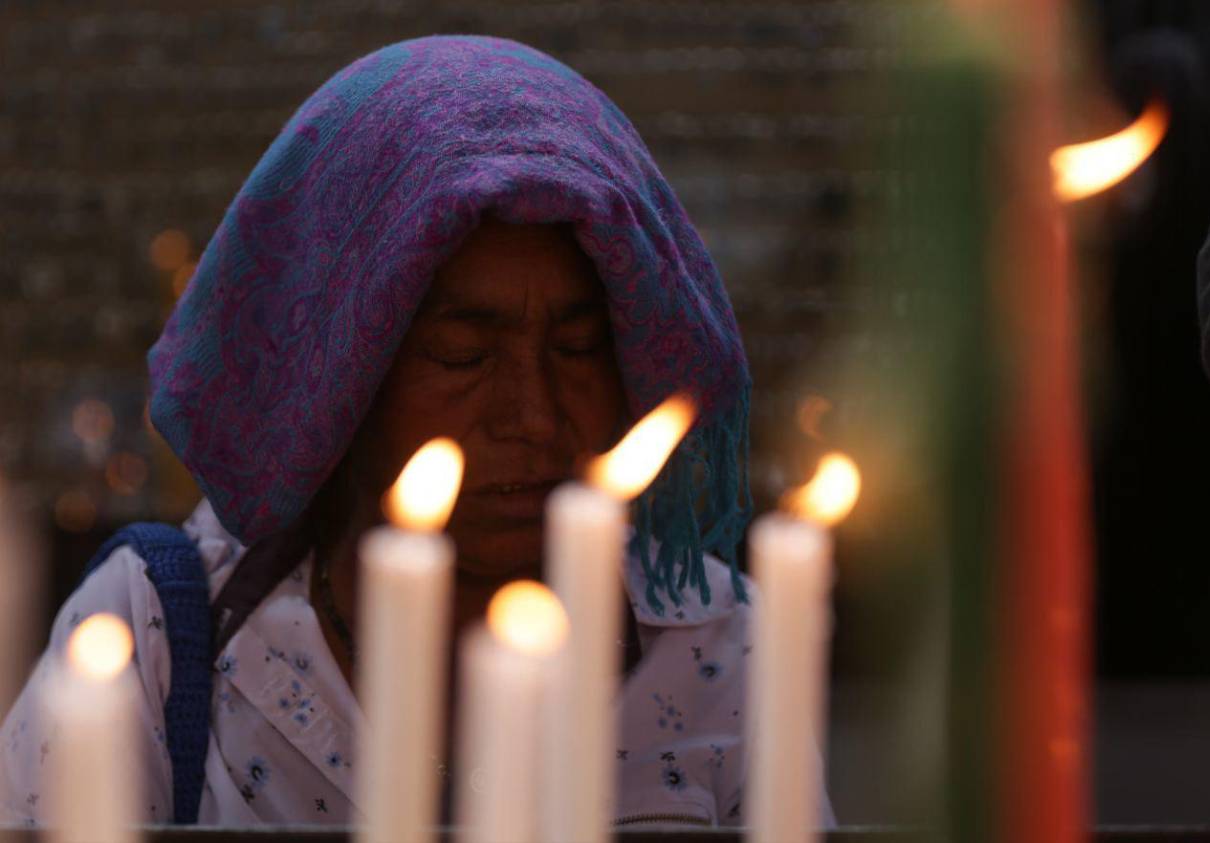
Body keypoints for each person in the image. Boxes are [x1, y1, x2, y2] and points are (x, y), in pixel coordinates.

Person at [1, 35, 828, 829]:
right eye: (464, 354)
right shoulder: (158, 638)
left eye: (578, 349)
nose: (534, 415)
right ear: (344, 372)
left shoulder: (720, 655)